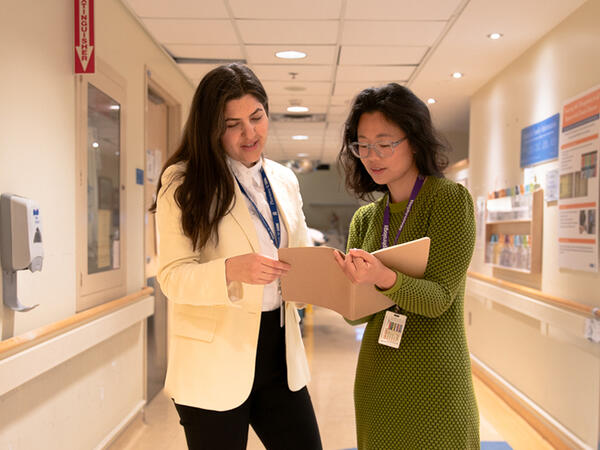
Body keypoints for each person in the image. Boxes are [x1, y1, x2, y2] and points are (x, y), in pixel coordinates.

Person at [151, 63, 322, 450]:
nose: (250, 133)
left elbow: (298, 252)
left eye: (257, 117)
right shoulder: (184, 181)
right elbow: (172, 276)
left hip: (278, 350)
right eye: (233, 124)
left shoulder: (283, 179)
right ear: (212, 127)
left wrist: (328, 270)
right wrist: (230, 270)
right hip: (214, 358)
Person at [334, 83, 479, 449]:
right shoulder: (366, 219)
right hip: (377, 380)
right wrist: (338, 288)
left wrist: (381, 276)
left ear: (414, 140)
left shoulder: (448, 200)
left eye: (384, 143)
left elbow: (438, 299)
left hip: (436, 380)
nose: (372, 155)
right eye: (362, 145)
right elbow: (355, 317)